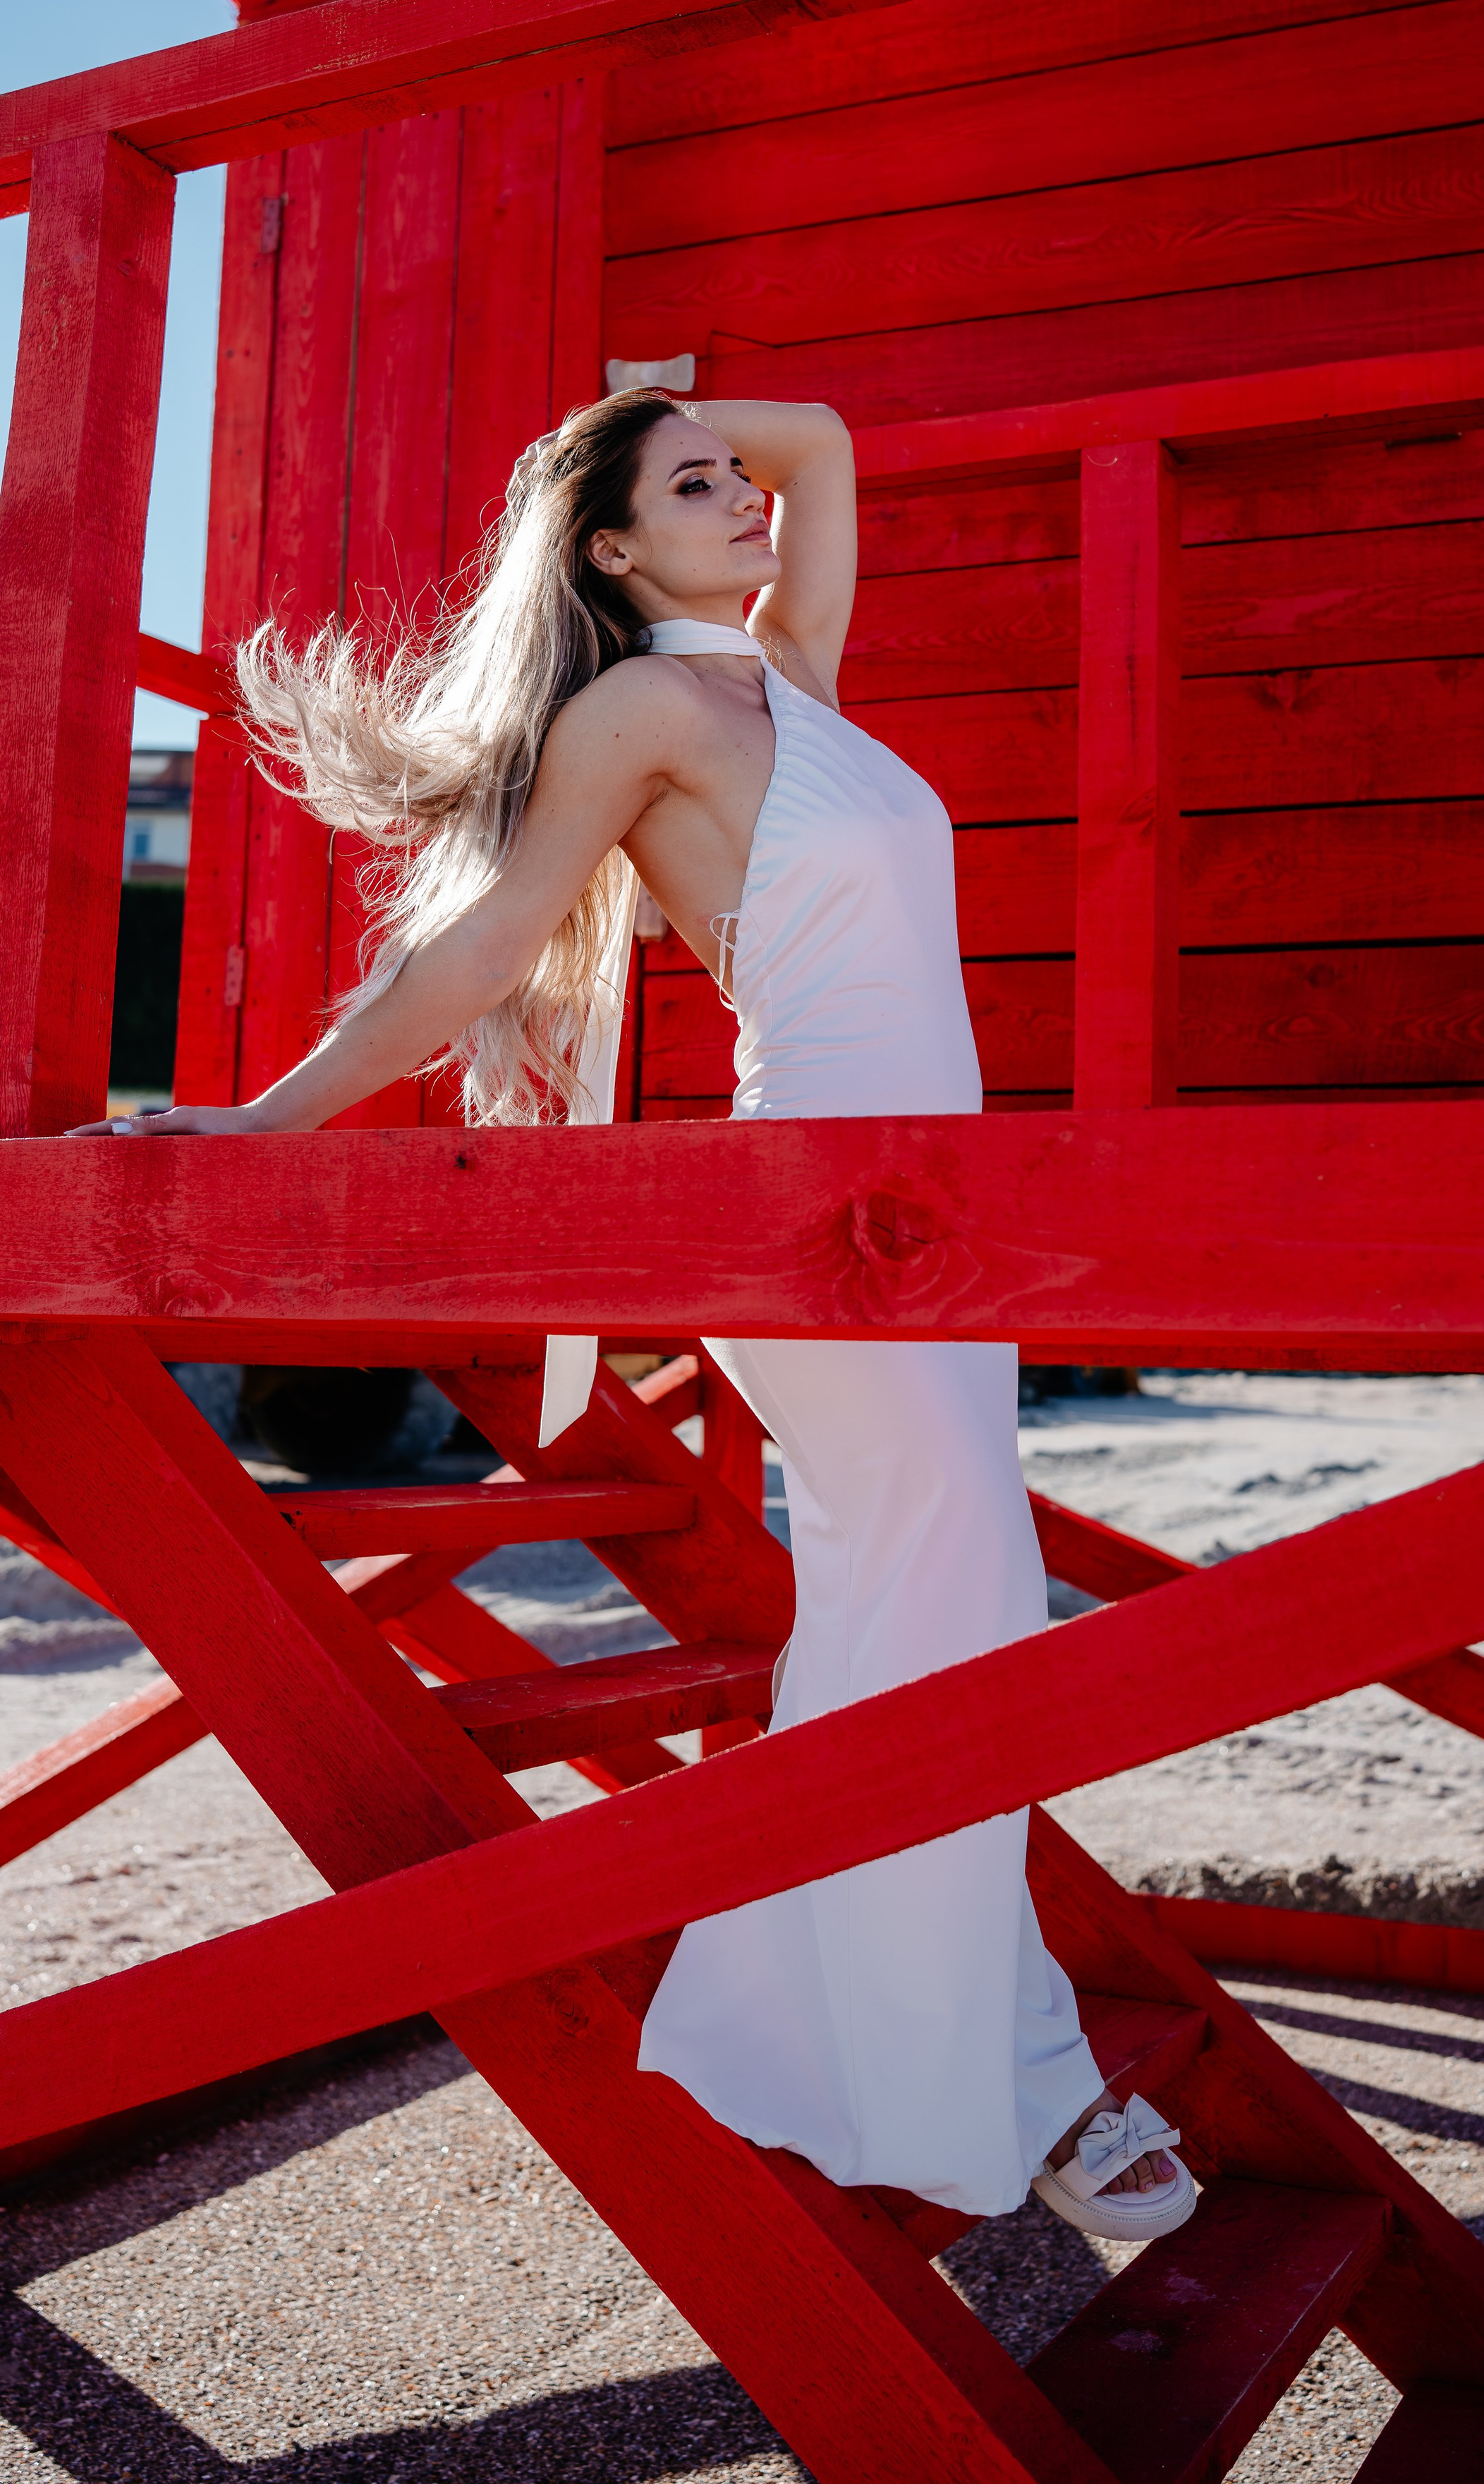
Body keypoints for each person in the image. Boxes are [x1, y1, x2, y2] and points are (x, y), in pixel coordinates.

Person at [71, 390, 1195, 2238]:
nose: (746, 498)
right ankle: (1012, 2092)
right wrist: (273, 1122)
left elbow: (829, 438)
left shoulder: (795, 675)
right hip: (816, 1220)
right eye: (691, 488)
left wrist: (666, 410)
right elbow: (490, 938)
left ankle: (856, 2035)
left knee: (925, 1626)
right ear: (611, 551)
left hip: (943, 1222)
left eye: (726, 482)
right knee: (956, 1621)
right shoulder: (647, 709)